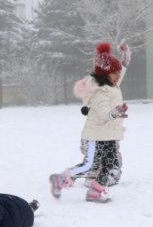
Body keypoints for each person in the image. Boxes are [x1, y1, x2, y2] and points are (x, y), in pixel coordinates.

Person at [49, 42, 131, 203]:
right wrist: (115, 112)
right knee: (89, 164)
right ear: (105, 74)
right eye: (115, 73)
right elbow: (102, 114)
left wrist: (125, 59)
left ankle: (95, 192)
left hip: (108, 135)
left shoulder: (112, 85)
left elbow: (120, 72)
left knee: (110, 163)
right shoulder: (101, 91)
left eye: (118, 73)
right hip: (96, 135)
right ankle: (59, 179)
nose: (118, 76)